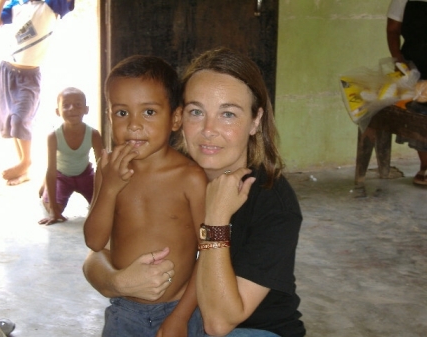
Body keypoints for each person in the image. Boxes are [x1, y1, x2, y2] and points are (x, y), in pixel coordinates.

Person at [82, 47, 306, 337]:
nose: (208, 129)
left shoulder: (272, 201)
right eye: (197, 112)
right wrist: (118, 283)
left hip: (251, 329)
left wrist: (215, 219)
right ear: (180, 117)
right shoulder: (150, 161)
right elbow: (95, 253)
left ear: (255, 120)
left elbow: (217, 324)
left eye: (228, 114)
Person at [83, 55, 207, 336]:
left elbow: (212, 251)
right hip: (123, 311)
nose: (134, 125)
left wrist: (181, 315)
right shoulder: (108, 168)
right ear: (108, 116)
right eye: (121, 112)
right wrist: (110, 187)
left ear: (175, 118)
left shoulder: (190, 178)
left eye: (148, 112)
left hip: (179, 309)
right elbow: (94, 241)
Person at [0, 0, 75, 186]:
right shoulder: (17, 4)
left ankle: (26, 161)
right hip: (7, 70)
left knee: (21, 118)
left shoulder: (51, 4)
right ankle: (24, 169)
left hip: (30, 75)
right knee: (11, 120)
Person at [38, 87, 103, 225]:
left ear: (86, 109)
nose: (72, 108)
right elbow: (51, 170)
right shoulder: (54, 136)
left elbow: (102, 165)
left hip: (86, 175)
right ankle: (46, 188)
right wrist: (53, 210)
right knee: (55, 209)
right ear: (58, 111)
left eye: (78, 104)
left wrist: (104, 194)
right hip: (61, 176)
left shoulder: (94, 134)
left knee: (102, 207)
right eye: (66, 105)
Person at [387, 0, 427, 185]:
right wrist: (398, 60)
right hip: (416, 66)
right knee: (420, 115)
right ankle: (425, 166)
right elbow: (393, 30)